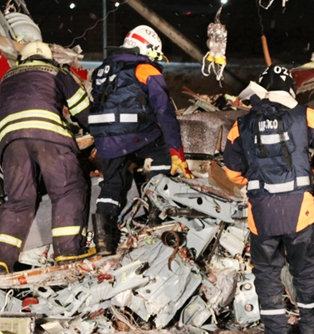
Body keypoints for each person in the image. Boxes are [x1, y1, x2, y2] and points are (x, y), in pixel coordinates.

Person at [223, 64, 314, 334]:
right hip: (299, 208)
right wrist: (312, 170)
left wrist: (254, 180)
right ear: (289, 89)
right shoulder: (304, 115)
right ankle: (310, 331)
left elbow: (231, 171)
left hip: (262, 212)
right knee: (304, 270)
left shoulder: (242, 124)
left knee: (267, 273)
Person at [88, 25, 193, 255]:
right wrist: (176, 152)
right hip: (134, 132)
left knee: (112, 183)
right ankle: (157, 214)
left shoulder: (102, 69)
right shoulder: (145, 69)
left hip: (104, 138)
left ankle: (104, 241)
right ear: (147, 48)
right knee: (162, 153)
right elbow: (164, 112)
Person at [0, 41, 94, 273]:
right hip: (49, 138)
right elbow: (82, 109)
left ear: (22, 60)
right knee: (68, 190)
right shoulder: (56, 72)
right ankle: (68, 252)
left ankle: (2, 259)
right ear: (48, 58)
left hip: (11, 143)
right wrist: (99, 132)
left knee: (18, 201)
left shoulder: (6, 80)